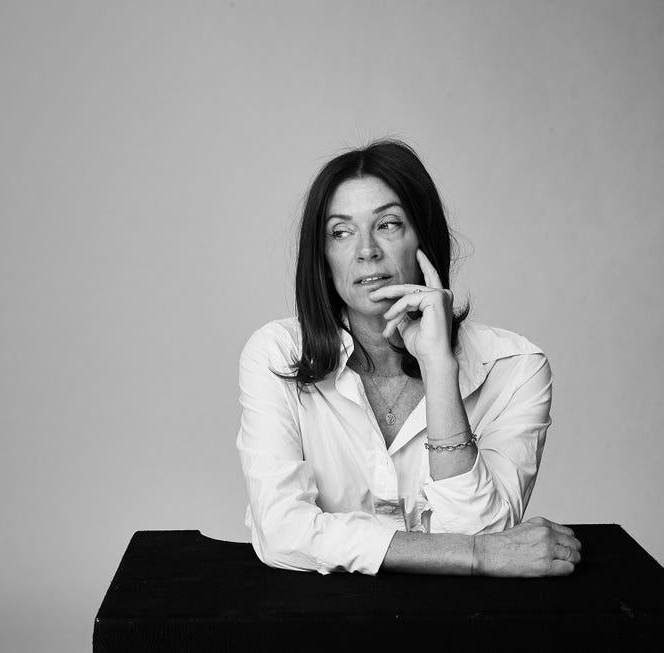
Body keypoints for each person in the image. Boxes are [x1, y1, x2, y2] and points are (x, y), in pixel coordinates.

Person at [236, 140, 581, 577]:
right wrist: (473, 555)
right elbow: (281, 534)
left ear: (424, 240)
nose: (366, 250)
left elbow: (480, 530)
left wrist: (439, 369)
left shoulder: (515, 366)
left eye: (388, 224)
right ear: (323, 259)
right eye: (340, 232)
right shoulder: (276, 353)